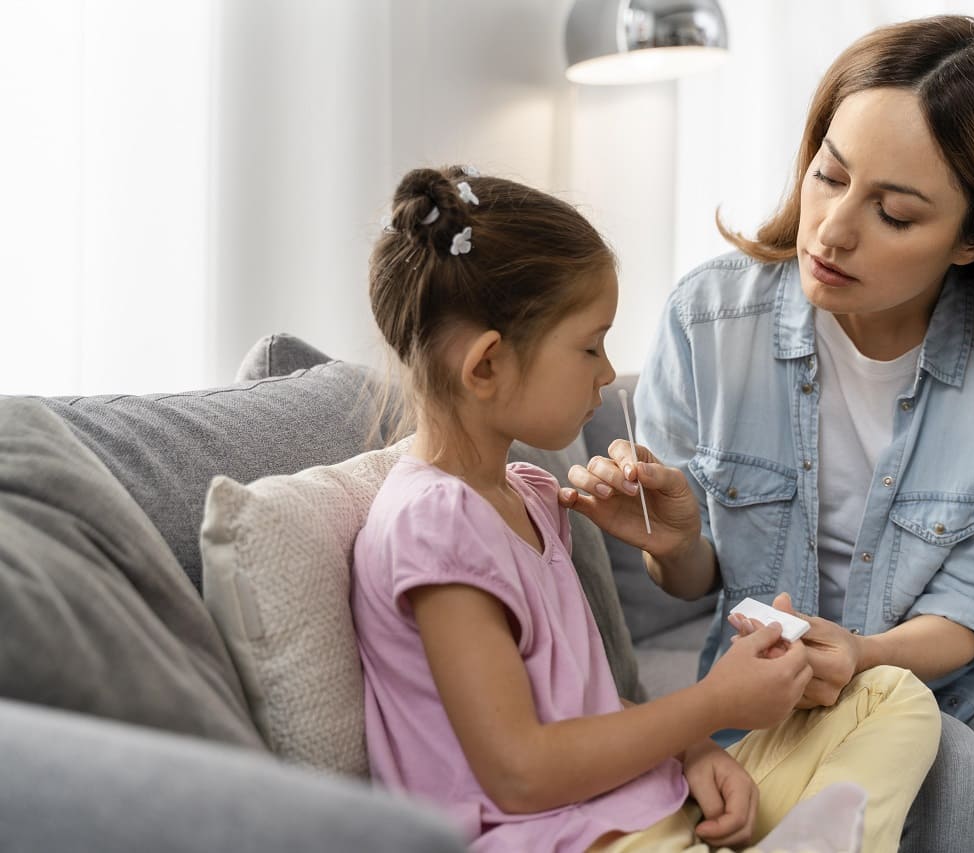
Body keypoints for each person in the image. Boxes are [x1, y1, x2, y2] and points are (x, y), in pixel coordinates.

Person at [563, 15, 974, 853]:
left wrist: (863, 653)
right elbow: (694, 577)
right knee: (949, 776)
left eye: (894, 213)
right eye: (829, 175)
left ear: (973, 238)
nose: (831, 229)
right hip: (780, 679)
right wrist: (676, 539)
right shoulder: (709, 320)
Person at [349, 165, 942, 853]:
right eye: (589, 346)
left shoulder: (528, 494)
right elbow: (519, 772)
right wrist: (713, 705)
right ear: (486, 366)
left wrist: (692, 748)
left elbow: (578, 703)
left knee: (890, 696)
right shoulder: (436, 524)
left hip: (636, 809)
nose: (607, 374)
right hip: (560, 840)